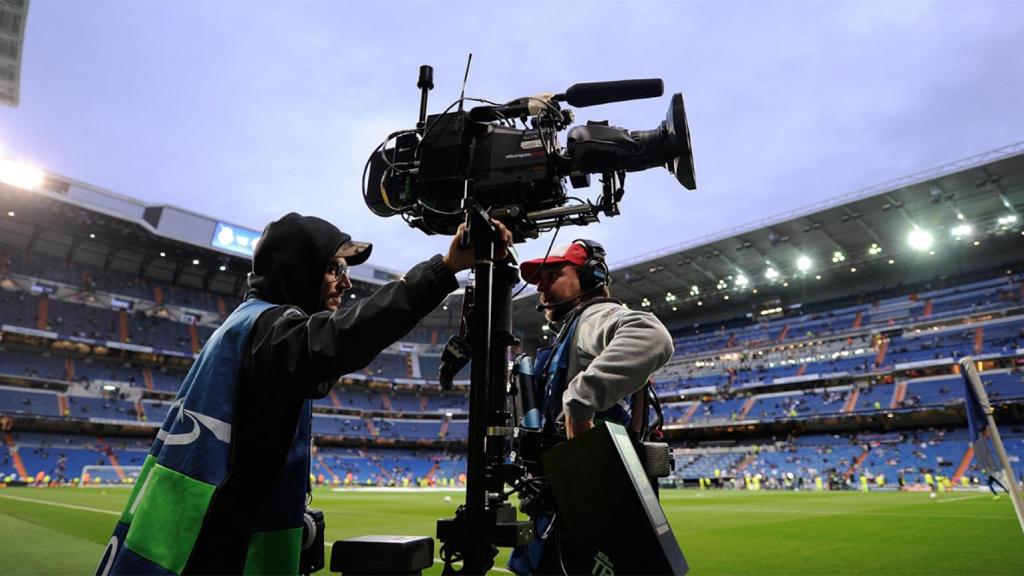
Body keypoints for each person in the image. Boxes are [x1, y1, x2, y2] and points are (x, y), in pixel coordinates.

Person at [96, 212, 511, 575]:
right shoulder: (269, 330)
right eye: (333, 268)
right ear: (298, 270)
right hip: (205, 546)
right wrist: (444, 269)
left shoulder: (249, 327)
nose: (346, 282)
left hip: (194, 528)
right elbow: (342, 340)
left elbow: (316, 369)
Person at [509, 239, 674, 575]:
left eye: (552, 274)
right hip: (564, 503)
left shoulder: (592, 315)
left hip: (587, 506)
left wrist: (579, 401)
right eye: (538, 280)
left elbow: (652, 335)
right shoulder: (570, 332)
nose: (542, 286)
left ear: (590, 276)